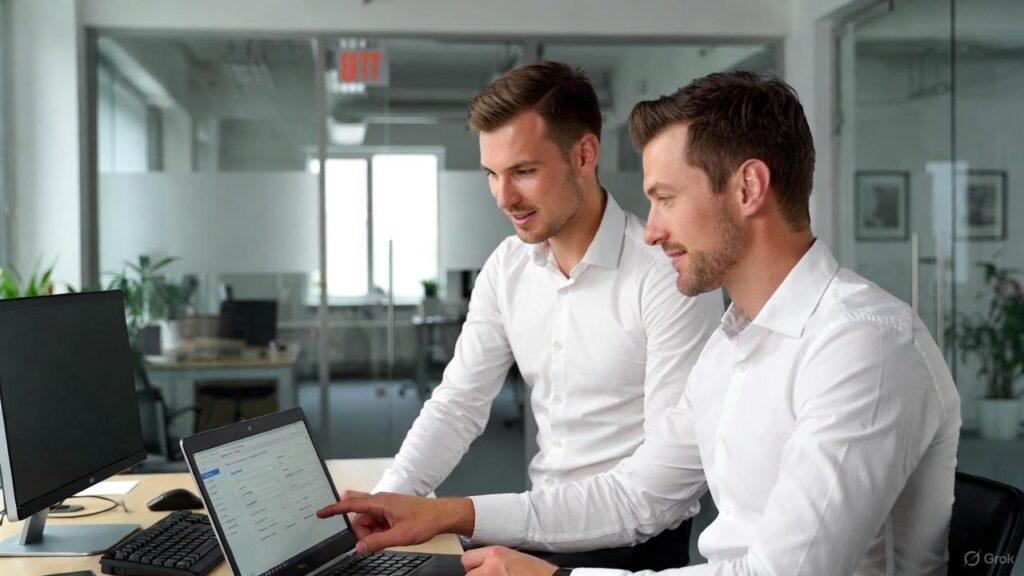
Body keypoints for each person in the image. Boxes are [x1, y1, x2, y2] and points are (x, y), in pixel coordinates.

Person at [317, 71, 962, 576]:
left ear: (748, 189)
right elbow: (634, 494)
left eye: (665, 199)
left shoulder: (864, 344)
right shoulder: (736, 343)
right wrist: (445, 512)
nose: (650, 231)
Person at [356, 61, 722, 571]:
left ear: (584, 155)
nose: (504, 198)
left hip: (633, 547)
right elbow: (458, 403)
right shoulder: (508, 266)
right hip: (537, 522)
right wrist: (392, 498)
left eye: (524, 172)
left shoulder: (666, 276)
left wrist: (455, 514)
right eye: (492, 174)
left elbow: (657, 494)